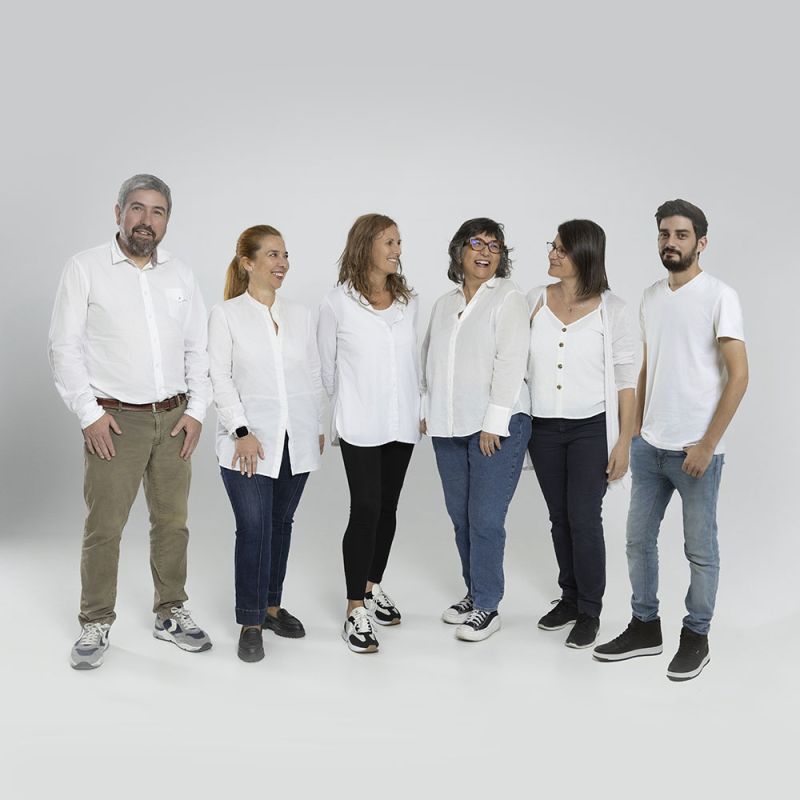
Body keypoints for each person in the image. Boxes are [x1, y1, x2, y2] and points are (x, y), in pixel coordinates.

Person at [49, 174, 212, 670]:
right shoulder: (86, 269)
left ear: (167, 220)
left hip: (173, 420)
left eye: (157, 211)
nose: (146, 220)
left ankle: (170, 612)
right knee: (105, 527)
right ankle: (95, 620)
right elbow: (63, 347)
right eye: (137, 209)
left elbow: (197, 349)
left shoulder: (180, 276)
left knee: (172, 523)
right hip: (114, 421)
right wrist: (89, 415)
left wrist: (197, 412)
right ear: (118, 212)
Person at [593, 199, 748, 681]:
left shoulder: (720, 296)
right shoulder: (651, 296)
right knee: (638, 541)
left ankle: (696, 636)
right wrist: (630, 434)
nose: (670, 242)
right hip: (650, 446)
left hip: (695, 452)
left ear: (701, 242)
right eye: (664, 234)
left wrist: (706, 444)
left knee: (700, 549)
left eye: (681, 235)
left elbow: (739, 376)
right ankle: (645, 626)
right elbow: (645, 367)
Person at [208, 225, 324, 663]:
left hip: (296, 440)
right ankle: (251, 620)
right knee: (254, 528)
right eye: (273, 255)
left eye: (286, 255)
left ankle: (273, 606)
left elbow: (311, 373)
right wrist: (240, 430)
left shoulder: (301, 314)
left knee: (281, 525)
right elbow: (218, 376)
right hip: (249, 445)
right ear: (248, 263)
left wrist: (315, 423)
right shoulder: (226, 315)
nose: (282, 264)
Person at [526, 220, 636, 649]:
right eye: (552, 246)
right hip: (543, 428)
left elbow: (627, 381)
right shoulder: (535, 300)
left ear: (585, 255)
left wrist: (625, 441)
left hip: (592, 428)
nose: (552, 254)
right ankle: (569, 597)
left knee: (584, 518)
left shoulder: (615, 309)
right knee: (559, 518)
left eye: (561, 249)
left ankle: (590, 609)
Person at [422, 218, 531, 642]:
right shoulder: (444, 304)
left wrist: (494, 422)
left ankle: (488, 605)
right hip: (449, 425)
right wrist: (424, 405)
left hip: (497, 425)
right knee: (460, 515)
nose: (486, 252)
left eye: (495, 246)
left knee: (485, 517)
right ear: (459, 252)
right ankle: (473, 591)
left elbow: (511, 361)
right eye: (477, 243)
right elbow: (428, 356)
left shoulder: (508, 297)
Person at [317, 214, 420, 654]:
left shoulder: (408, 302)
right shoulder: (337, 303)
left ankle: (373, 584)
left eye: (399, 242)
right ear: (366, 247)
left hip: (402, 421)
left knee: (389, 508)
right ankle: (354, 606)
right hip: (360, 422)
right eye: (389, 242)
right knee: (366, 508)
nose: (397, 249)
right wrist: (342, 410)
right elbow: (325, 368)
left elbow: (415, 361)